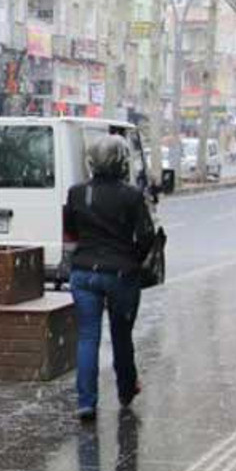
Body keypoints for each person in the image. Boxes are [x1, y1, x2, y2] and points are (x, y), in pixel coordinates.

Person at [64, 134, 157, 422]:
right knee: (121, 336)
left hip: (84, 273)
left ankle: (86, 402)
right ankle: (126, 390)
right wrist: (133, 259)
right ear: (121, 162)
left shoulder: (77, 193)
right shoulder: (131, 195)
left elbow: (71, 231)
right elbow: (146, 236)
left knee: (88, 337)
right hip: (120, 274)